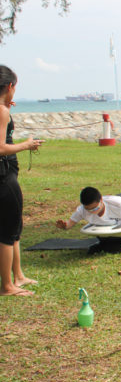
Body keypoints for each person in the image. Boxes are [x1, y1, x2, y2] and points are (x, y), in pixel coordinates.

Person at [0, 65, 44, 296]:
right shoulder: (2, 111)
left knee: (15, 226)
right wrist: (27, 145)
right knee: (8, 230)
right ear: (9, 87)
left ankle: (18, 276)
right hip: (4, 177)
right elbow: (0, 147)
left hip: (7, 175)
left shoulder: (3, 109)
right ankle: (7, 286)